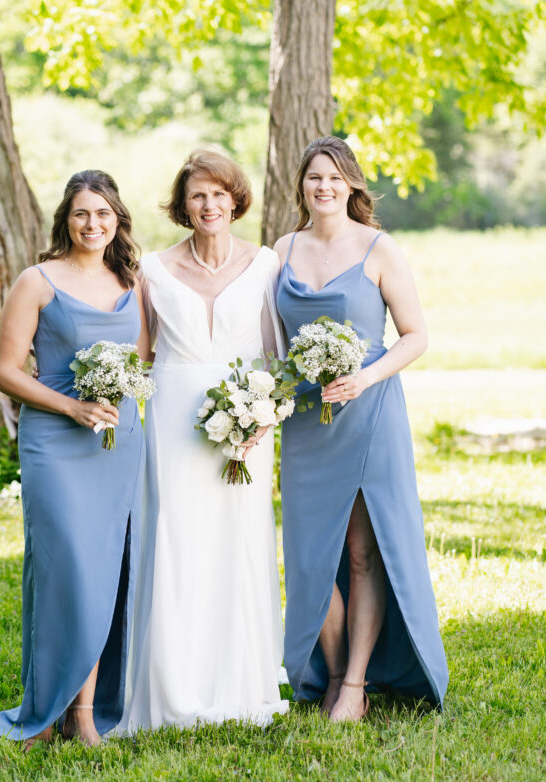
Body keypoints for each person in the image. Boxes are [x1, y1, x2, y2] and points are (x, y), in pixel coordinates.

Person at [274, 136, 448, 722]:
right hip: (304, 420)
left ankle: (352, 684)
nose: (323, 187)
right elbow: (267, 340)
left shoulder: (379, 248)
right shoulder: (281, 249)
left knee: (360, 554)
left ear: (352, 184)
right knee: (307, 554)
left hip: (368, 414)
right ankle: (328, 663)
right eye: (313, 178)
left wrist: (366, 377)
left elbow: (415, 335)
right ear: (301, 186)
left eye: (334, 177)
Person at [121, 148, 288, 731]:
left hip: (248, 425)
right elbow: (139, 357)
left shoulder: (267, 264)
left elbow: (276, 354)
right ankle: (171, 685)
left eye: (219, 194)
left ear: (235, 199)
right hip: (171, 420)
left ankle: (240, 682)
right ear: (183, 206)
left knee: (238, 540)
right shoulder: (156, 271)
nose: (209, 204)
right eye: (198, 195)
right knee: (175, 538)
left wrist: (266, 412)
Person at [0, 170, 149, 748]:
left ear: (118, 221)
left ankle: (84, 712)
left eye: (103, 214)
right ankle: (44, 708)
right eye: (82, 213)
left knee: (107, 571)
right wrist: (71, 406)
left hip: (117, 440)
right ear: (66, 218)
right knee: (64, 572)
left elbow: (145, 360)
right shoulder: (37, 281)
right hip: (55, 442)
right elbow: (5, 372)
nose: (93, 224)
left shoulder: (134, 282)